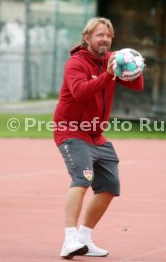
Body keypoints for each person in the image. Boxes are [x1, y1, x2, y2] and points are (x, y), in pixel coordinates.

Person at [53, 17, 144, 259]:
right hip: (71, 130)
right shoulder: (76, 63)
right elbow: (79, 92)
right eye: (99, 35)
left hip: (96, 134)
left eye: (108, 36)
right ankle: (69, 239)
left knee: (110, 186)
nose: (104, 39)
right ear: (87, 38)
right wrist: (107, 74)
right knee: (82, 179)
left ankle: (84, 238)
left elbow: (137, 87)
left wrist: (135, 68)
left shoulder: (112, 60)